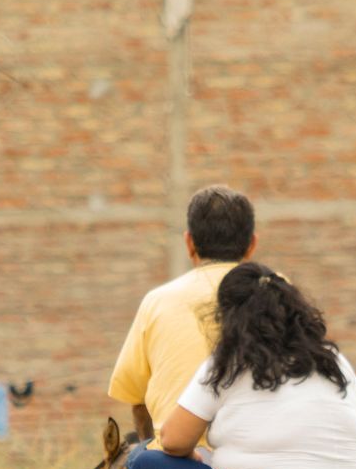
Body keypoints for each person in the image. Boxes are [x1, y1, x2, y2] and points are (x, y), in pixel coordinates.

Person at [127, 262, 356, 469]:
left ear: (228, 317)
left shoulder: (230, 361)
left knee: (141, 462)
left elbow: (172, 440)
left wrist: (189, 455)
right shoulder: (333, 360)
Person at [109, 185, 257, 451]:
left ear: (189, 243)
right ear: (252, 245)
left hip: (183, 462)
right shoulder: (280, 296)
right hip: (264, 465)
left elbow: (136, 397)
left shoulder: (158, 301)